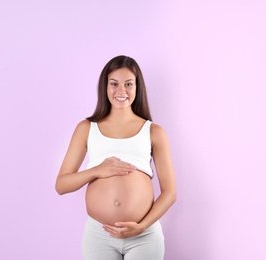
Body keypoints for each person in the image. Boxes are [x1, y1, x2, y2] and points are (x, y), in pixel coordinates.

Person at [55, 55, 176, 260]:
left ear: (138, 88)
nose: (121, 91)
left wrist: (141, 226)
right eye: (114, 84)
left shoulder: (153, 131)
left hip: (143, 235)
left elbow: (170, 192)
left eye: (128, 84)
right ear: (105, 87)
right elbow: (62, 185)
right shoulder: (86, 128)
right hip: (99, 235)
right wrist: (96, 171)